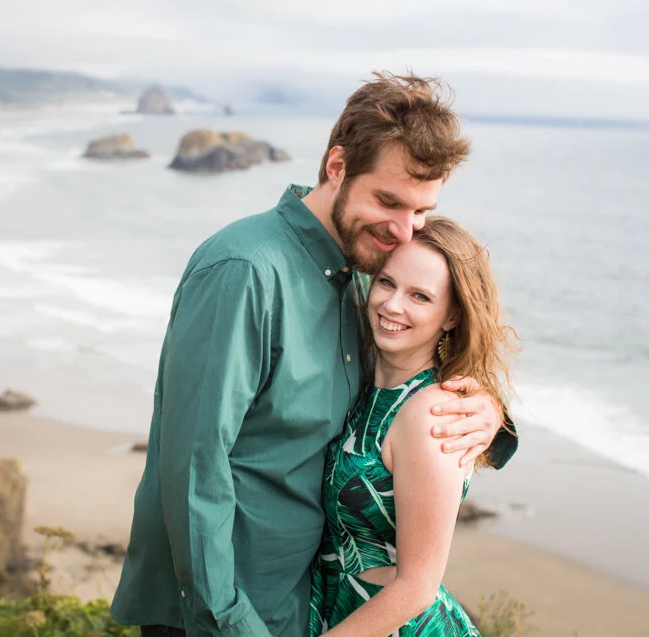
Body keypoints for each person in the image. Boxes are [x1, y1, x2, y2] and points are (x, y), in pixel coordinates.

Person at [110, 72, 517, 637]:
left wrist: (490, 414)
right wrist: (231, 623)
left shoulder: (366, 277)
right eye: (389, 201)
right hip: (223, 614)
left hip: (301, 607)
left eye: (421, 212)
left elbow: (398, 395)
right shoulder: (246, 271)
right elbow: (194, 468)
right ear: (336, 168)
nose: (404, 231)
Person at [309, 216, 517, 636]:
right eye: (387, 283)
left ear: (452, 316)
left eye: (420, 296)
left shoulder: (431, 415)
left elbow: (417, 587)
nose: (392, 305)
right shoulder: (365, 378)